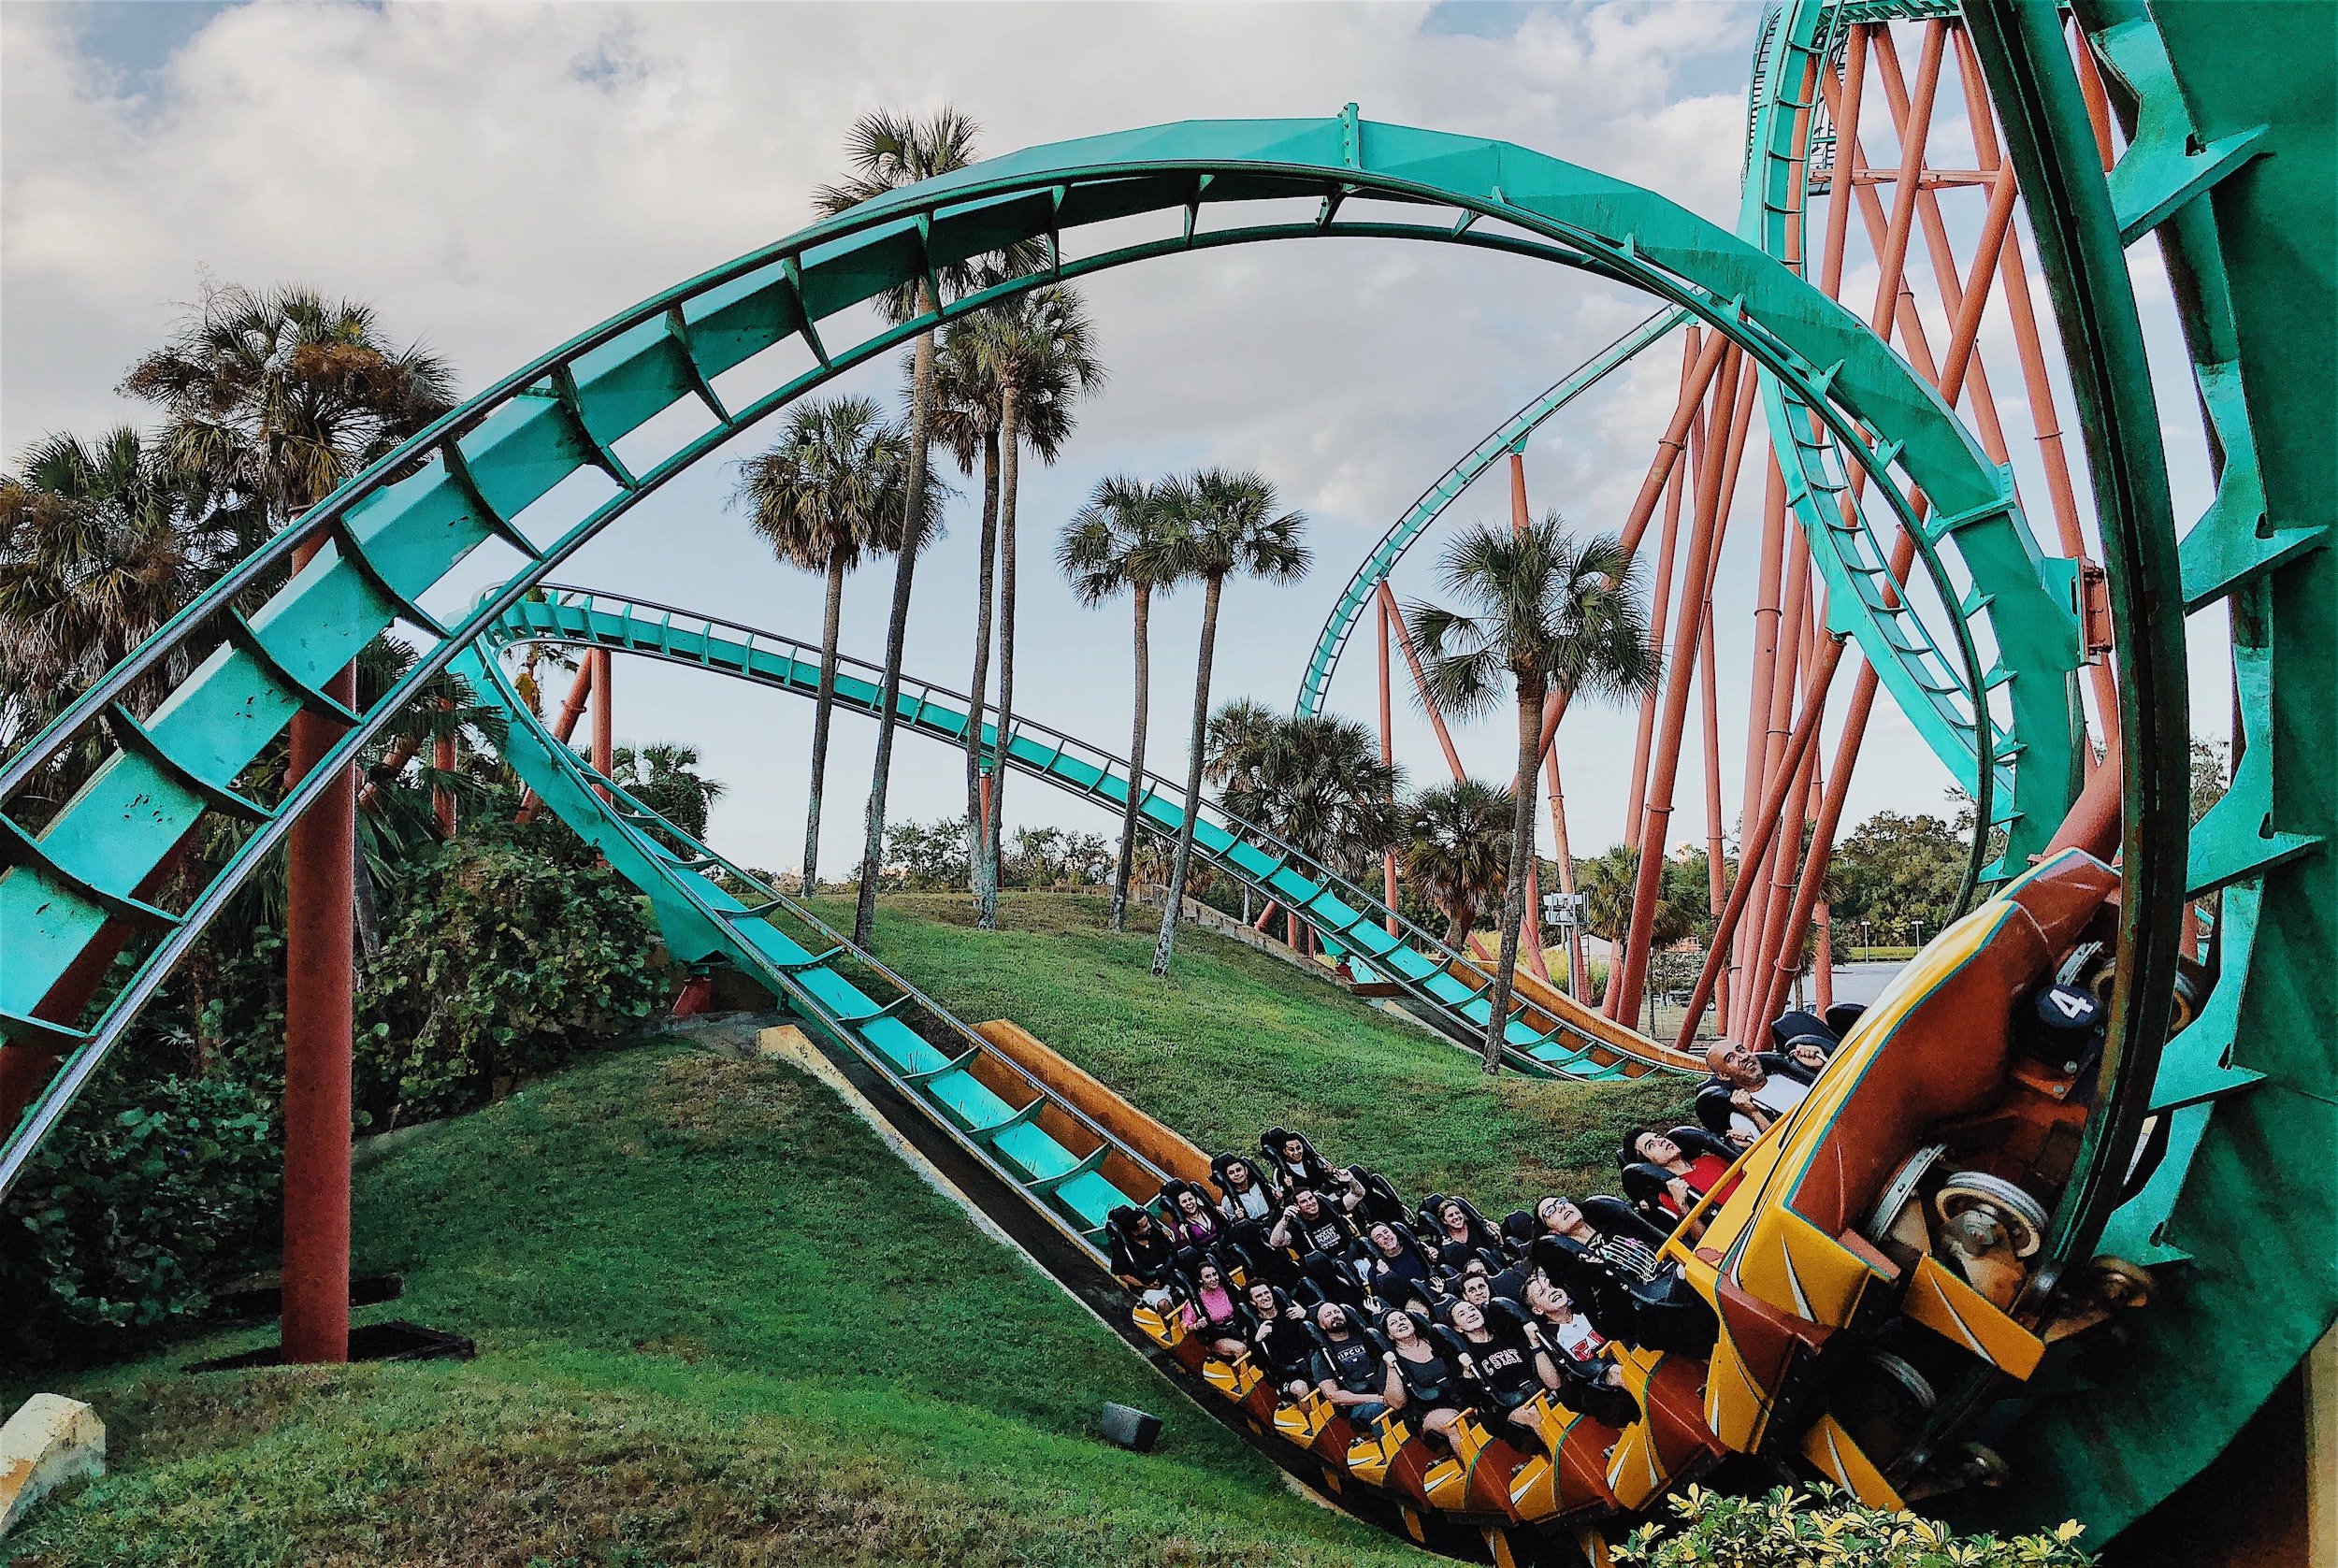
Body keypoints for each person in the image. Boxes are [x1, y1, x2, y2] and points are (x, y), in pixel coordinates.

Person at [1449, 1298, 1561, 1450]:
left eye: (1472, 1309)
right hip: (1507, 1412)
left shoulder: (1508, 1337)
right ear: (1458, 1328)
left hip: (1537, 1393)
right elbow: (1471, 1401)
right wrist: (1467, 1371)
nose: (1470, 1314)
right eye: (1462, 1314)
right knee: (1534, 1413)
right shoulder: (1464, 1358)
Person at [1619, 1127, 1739, 1233]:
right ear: (1648, 1164)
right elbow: (1702, 1239)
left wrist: (1743, 1144)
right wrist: (1683, 1206)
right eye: (1651, 1145)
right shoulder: (1668, 1196)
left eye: (1659, 1137)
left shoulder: (1708, 1160)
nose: (1661, 1141)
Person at [1697, 1041, 1816, 1146]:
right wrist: (1754, 1113)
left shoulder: (1788, 1072)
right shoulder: (1741, 1114)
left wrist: (1818, 1065)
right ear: (1724, 1075)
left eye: (1741, 1050)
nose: (1743, 1057)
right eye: (1731, 1058)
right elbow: (1775, 1148)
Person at [1380, 1307, 1467, 1446]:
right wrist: (1391, 1368)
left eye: (1403, 1319)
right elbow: (1397, 1403)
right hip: (1427, 1412)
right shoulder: (1390, 1361)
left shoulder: (1434, 1341)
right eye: (1393, 1323)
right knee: (1454, 1422)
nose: (1400, 1323)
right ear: (1389, 1335)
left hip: (1460, 1398)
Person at [1309, 1302, 1392, 1424]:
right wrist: (1375, 1398)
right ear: (1321, 1325)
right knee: (1378, 1410)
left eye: (1337, 1312)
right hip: (1361, 1403)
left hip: (1387, 1388)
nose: (1335, 1316)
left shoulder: (1366, 1336)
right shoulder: (1321, 1357)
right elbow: (1333, 1396)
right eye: (1328, 1315)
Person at [1247, 1281, 1321, 1401]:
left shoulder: (1291, 1310)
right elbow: (1259, 1364)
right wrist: (1258, 1341)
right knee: (1300, 1388)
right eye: (1259, 1296)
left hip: (1312, 1362)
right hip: (1288, 1374)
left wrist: (1306, 1315)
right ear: (1252, 1302)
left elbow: (1321, 1332)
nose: (1265, 1297)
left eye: (1266, 1293)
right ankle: (1311, 1418)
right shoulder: (1256, 1328)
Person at [1357, 1222, 1436, 1312]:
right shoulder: (1375, 1272)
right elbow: (1381, 1302)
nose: (1385, 1237)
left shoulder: (1415, 1249)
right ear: (1375, 1244)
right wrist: (1386, 1278)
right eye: (1379, 1237)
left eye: (1386, 1232)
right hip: (1410, 1307)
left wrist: (1436, 1257)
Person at [1109, 1207, 1180, 1306]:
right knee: (1163, 1304)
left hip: (1170, 1275)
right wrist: (1145, 1285)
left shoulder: (1156, 1233)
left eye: (1148, 1222)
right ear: (1134, 1232)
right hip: (1150, 1286)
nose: (1149, 1226)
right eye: (1145, 1226)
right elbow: (1123, 1275)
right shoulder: (1123, 1250)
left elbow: (1172, 1252)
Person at [1180, 1259, 1249, 1359]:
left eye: (1214, 1274)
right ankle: (1245, 1373)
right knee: (1240, 1348)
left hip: (1237, 1326)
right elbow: (1187, 1328)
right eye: (1208, 1277)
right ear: (1201, 1280)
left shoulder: (1227, 1289)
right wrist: (1197, 1325)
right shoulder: (1195, 1302)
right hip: (1218, 1336)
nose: (1213, 1279)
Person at [1271, 1187, 1362, 1262]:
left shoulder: (1330, 1209)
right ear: (1297, 1206)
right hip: (1326, 1267)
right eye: (1303, 1201)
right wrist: (1284, 1219)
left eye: (1311, 1198)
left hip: (1351, 1254)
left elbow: (1358, 1194)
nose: (1310, 1203)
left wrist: (1350, 1180)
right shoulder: (1295, 1226)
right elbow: (1275, 1242)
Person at [1261, 1128, 1335, 1194]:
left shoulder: (1310, 1160)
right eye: (1291, 1150)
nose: (1296, 1152)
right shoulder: (1281, 1173)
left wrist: (1328, 1172)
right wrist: (1288, 1188)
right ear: (1285, 1151)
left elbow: (1320, 1178)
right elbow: (1281, 1198)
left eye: (1298, 1148)